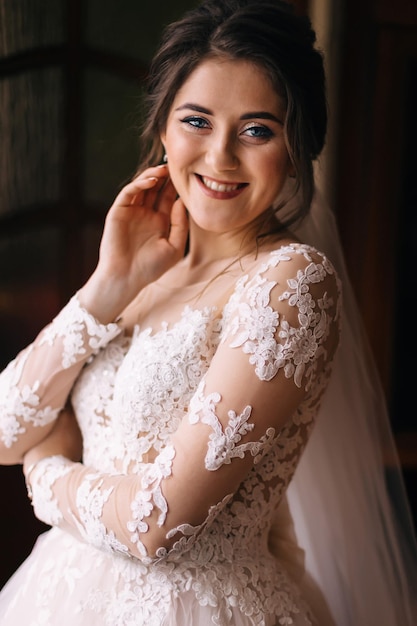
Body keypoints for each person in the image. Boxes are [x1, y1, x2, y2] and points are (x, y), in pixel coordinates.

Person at [0, 0, 415, 624]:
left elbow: (159, 527)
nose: (221, 157)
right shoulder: (141, 269)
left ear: (297, 147)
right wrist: (107, 288)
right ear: (163, 127)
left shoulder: (290, 285)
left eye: (257, 130)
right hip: (58, 595)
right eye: (197, 120)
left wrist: (45, 472)